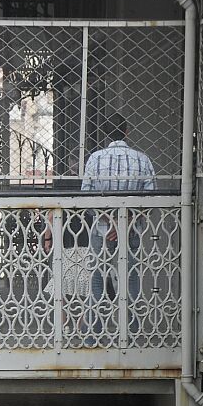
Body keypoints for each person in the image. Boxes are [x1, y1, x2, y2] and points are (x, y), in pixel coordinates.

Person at [81, 113, 155, 342]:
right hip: (131, 228)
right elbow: (151, 195)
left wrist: (110, 220)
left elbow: (86, 193)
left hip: (102, 229)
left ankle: (95, 332)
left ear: (105, 134)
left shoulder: (95, 158)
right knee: (130, 276)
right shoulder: (141, 159)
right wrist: (126, 220)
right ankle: (130, 333)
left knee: (97, 277)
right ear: (126, 131)